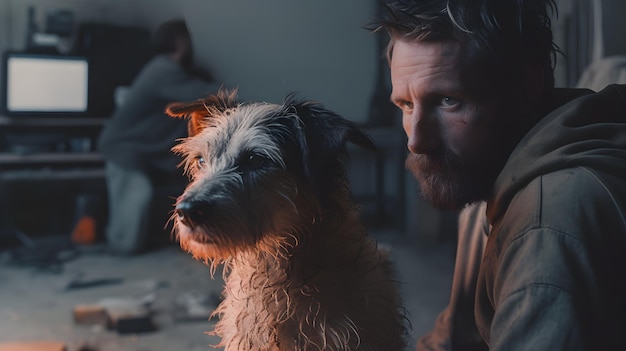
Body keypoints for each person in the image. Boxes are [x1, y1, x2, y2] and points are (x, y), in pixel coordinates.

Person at [371, 0, 626, 350]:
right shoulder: (489, 181)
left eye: (447, 100)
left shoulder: (547, 227)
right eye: (406, 105)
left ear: (525, 86)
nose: (416, 141)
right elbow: (456, 340)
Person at [97, 19, 219, 255]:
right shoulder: (162, 69)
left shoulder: (166, 69)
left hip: (139, 148)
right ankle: (119, 243)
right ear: (181, 42)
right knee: (137, 195)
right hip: (124, 148)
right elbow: (203, 94)